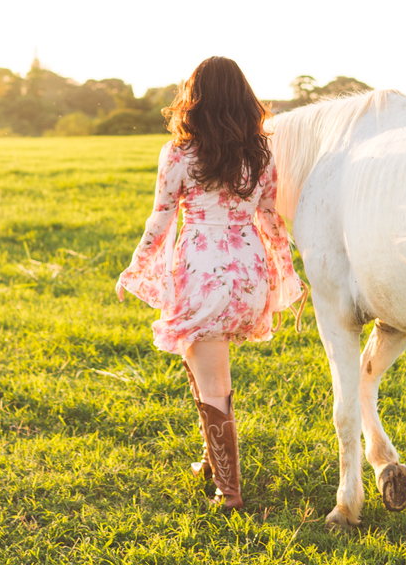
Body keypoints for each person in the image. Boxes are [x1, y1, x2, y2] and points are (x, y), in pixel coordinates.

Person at [116, 56, 307, 511]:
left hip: (202, 273)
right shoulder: (259, 153)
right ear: (243, 98)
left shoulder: (179, 153)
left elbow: (161, 218)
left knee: (213, 378)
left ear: (195, 98)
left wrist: (133, 267)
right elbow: (269, 220)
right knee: (202, 364)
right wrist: (286, 276)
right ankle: (210, 460)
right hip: (247, 273)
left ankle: (230, 491)